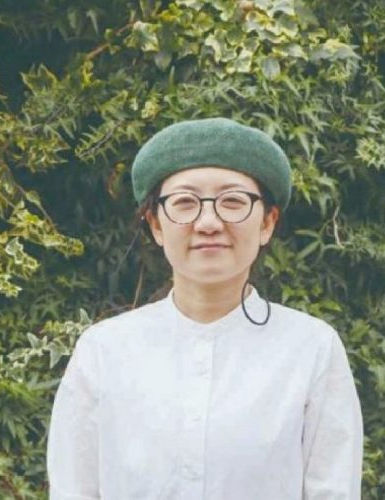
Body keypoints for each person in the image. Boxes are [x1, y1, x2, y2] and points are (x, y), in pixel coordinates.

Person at [47, 117, 363, 500]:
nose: (208, 222)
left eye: (233, 202)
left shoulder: (311, 349)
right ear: (156, 224)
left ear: (267, 223)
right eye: (185, 203)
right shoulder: (103, 351)